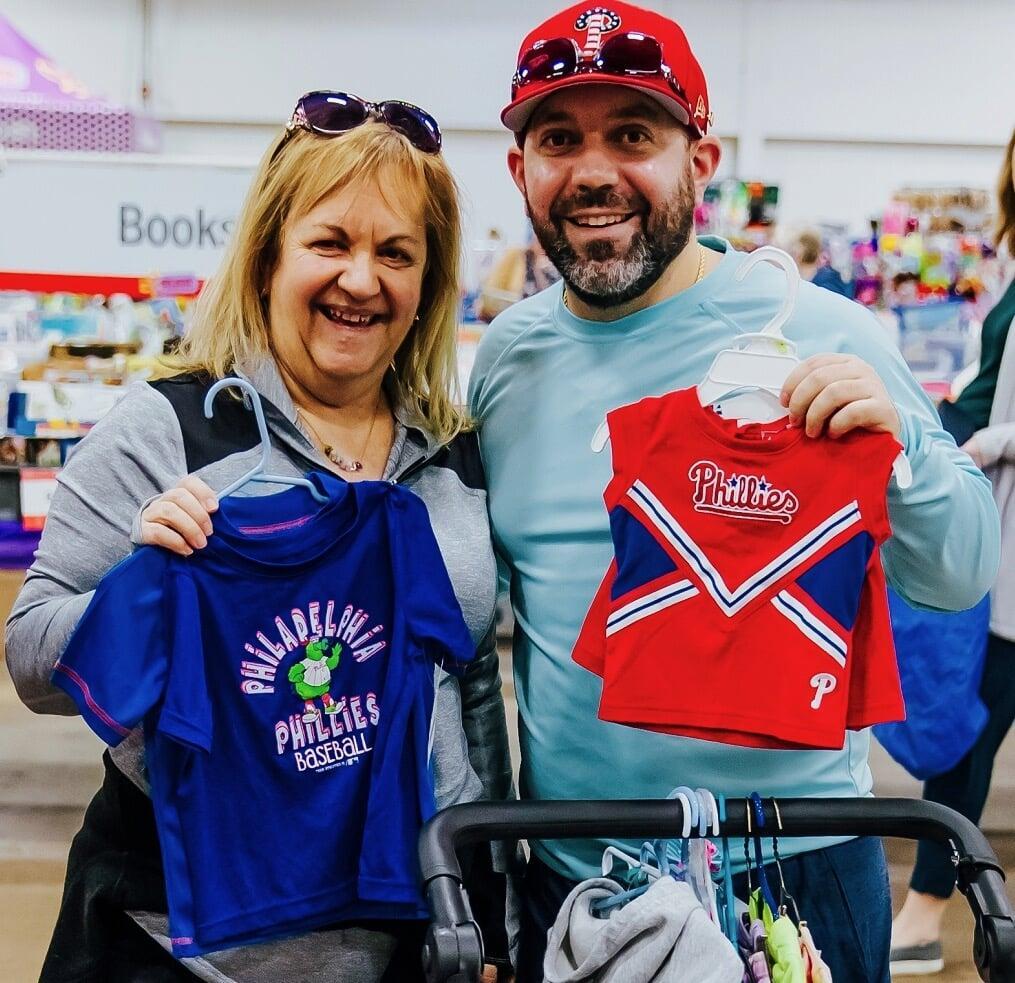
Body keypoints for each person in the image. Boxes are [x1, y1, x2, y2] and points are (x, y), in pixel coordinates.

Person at [467, 4, 999, 981]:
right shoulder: (505, 362)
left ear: (699, 161)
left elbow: (962, 570)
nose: (593, 172)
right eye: (558, 139)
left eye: (632, 135)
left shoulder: (824, 331)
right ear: (520, 171)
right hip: (567, 871)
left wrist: (904, 450)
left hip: (791, 872)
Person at [5, 91, 513, 983]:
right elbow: (33, 662)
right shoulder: (166, 431)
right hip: (179, 942)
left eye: (396, 253)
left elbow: (468, 682)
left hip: (411, 931)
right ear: (269, 253)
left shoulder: (450, 454)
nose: (362, 279)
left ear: (427, 284)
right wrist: (142, 583)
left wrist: (494, 901)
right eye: (331, 242)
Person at [890, 124, 1015, 977]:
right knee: (965, 720)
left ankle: (925, 910)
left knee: (969, 723)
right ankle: (926, 906)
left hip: (1005, 536)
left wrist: (994, 439)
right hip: (993, 529)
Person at [477, 229, 561, 321]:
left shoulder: (553, 267)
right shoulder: (517, 256)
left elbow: (552, 299)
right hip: (513, 317)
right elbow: (492, 293)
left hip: (541, 319)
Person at [785, 227, 852, 297]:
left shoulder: (828, 280)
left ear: (807, 250)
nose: (792, 252)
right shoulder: (793, 276)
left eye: (796, 249)